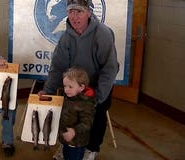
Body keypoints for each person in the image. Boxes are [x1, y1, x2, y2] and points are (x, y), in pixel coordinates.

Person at [38, 0, 119, 160]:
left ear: (89, 13)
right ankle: (67, 145)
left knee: (97, 115)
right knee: (69, 114)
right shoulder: (66, 37)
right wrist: (48, 91)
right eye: (71, 12)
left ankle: (92, 149)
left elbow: (109, 69)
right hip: (75, 86)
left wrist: (98, 97)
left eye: (79, 12)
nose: (75, 16)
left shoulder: (103, 34)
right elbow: (58, 67)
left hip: (97, 86)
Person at [58, 67, 96, 160]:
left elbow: (87, 123)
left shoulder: (86, 104)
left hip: (77, 142)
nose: (66, 89)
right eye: (65, 86)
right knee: (67, 156)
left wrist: (74, 131)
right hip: (66, 139)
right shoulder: (68, 97)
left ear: (81, 87)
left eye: (70, 87)